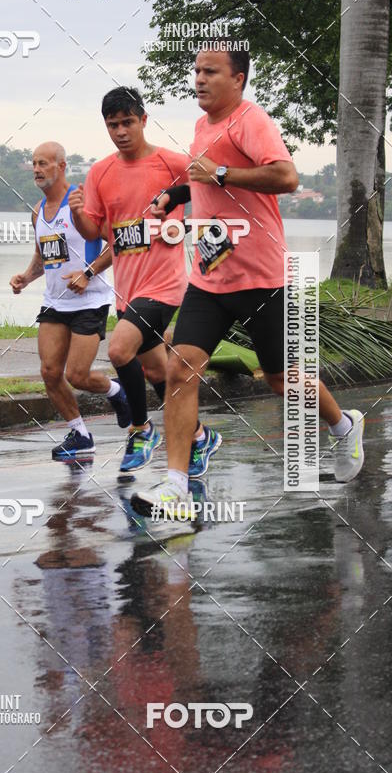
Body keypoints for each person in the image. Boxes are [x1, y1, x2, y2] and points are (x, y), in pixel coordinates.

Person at [132, 44, 365, 527]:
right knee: (181, 369)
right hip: (210, 277)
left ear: (237, 79)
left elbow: (287, 176)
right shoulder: (202, 125)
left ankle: (343, 426)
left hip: (262, 279)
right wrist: (172, 196)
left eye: (210, 71)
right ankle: (175, 487)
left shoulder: (252, 121)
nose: (199, 79)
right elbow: (203, 182)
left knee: (282, 381)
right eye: (195, 70)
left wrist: (219, 172)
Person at [69, 87, 221, 475]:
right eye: (112, 125)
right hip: (128, 290)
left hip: (166, 285)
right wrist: (75, 215)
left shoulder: (171, 162)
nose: (120, 131)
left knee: (119, 350)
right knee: (157, 373)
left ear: (143, 120)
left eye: (127, 122)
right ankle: (201, 435)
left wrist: (186, 216)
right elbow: (95, 233)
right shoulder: (101, 171)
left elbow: (210, 189)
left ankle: (141, 429)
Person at [10, 141, 131, 460]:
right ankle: (80, 434)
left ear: (62, 166)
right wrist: (26, 276)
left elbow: (116, 242)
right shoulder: (38, 212)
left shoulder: (82, 200)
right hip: (55, 302)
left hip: (90, 300)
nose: (36, 169)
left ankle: (118, 392)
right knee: (50, 372)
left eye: (44, 163)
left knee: (78, 375)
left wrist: (88, 273)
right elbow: (43, 256)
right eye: (34, 163)